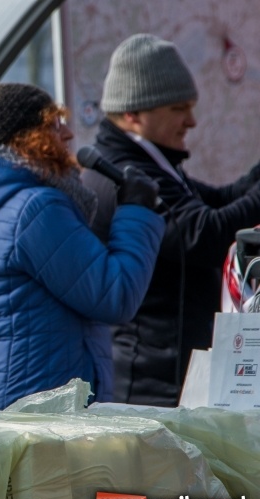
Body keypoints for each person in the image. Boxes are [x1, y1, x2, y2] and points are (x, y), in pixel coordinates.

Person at [0, 82, 165, 415]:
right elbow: (116, 293)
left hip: (6, 409)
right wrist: (136, 211)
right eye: (54, 125)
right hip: (39, 419)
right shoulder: (35, 209)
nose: (68, 134)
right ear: (24, 139)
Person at [81, 33, 260, 406]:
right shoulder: (127, 176)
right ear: (133, 114)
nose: (191, 121)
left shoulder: (146, 162)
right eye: (179, 108)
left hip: (165, 375)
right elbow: (203, 234)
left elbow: (220, 200)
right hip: (150, 387)